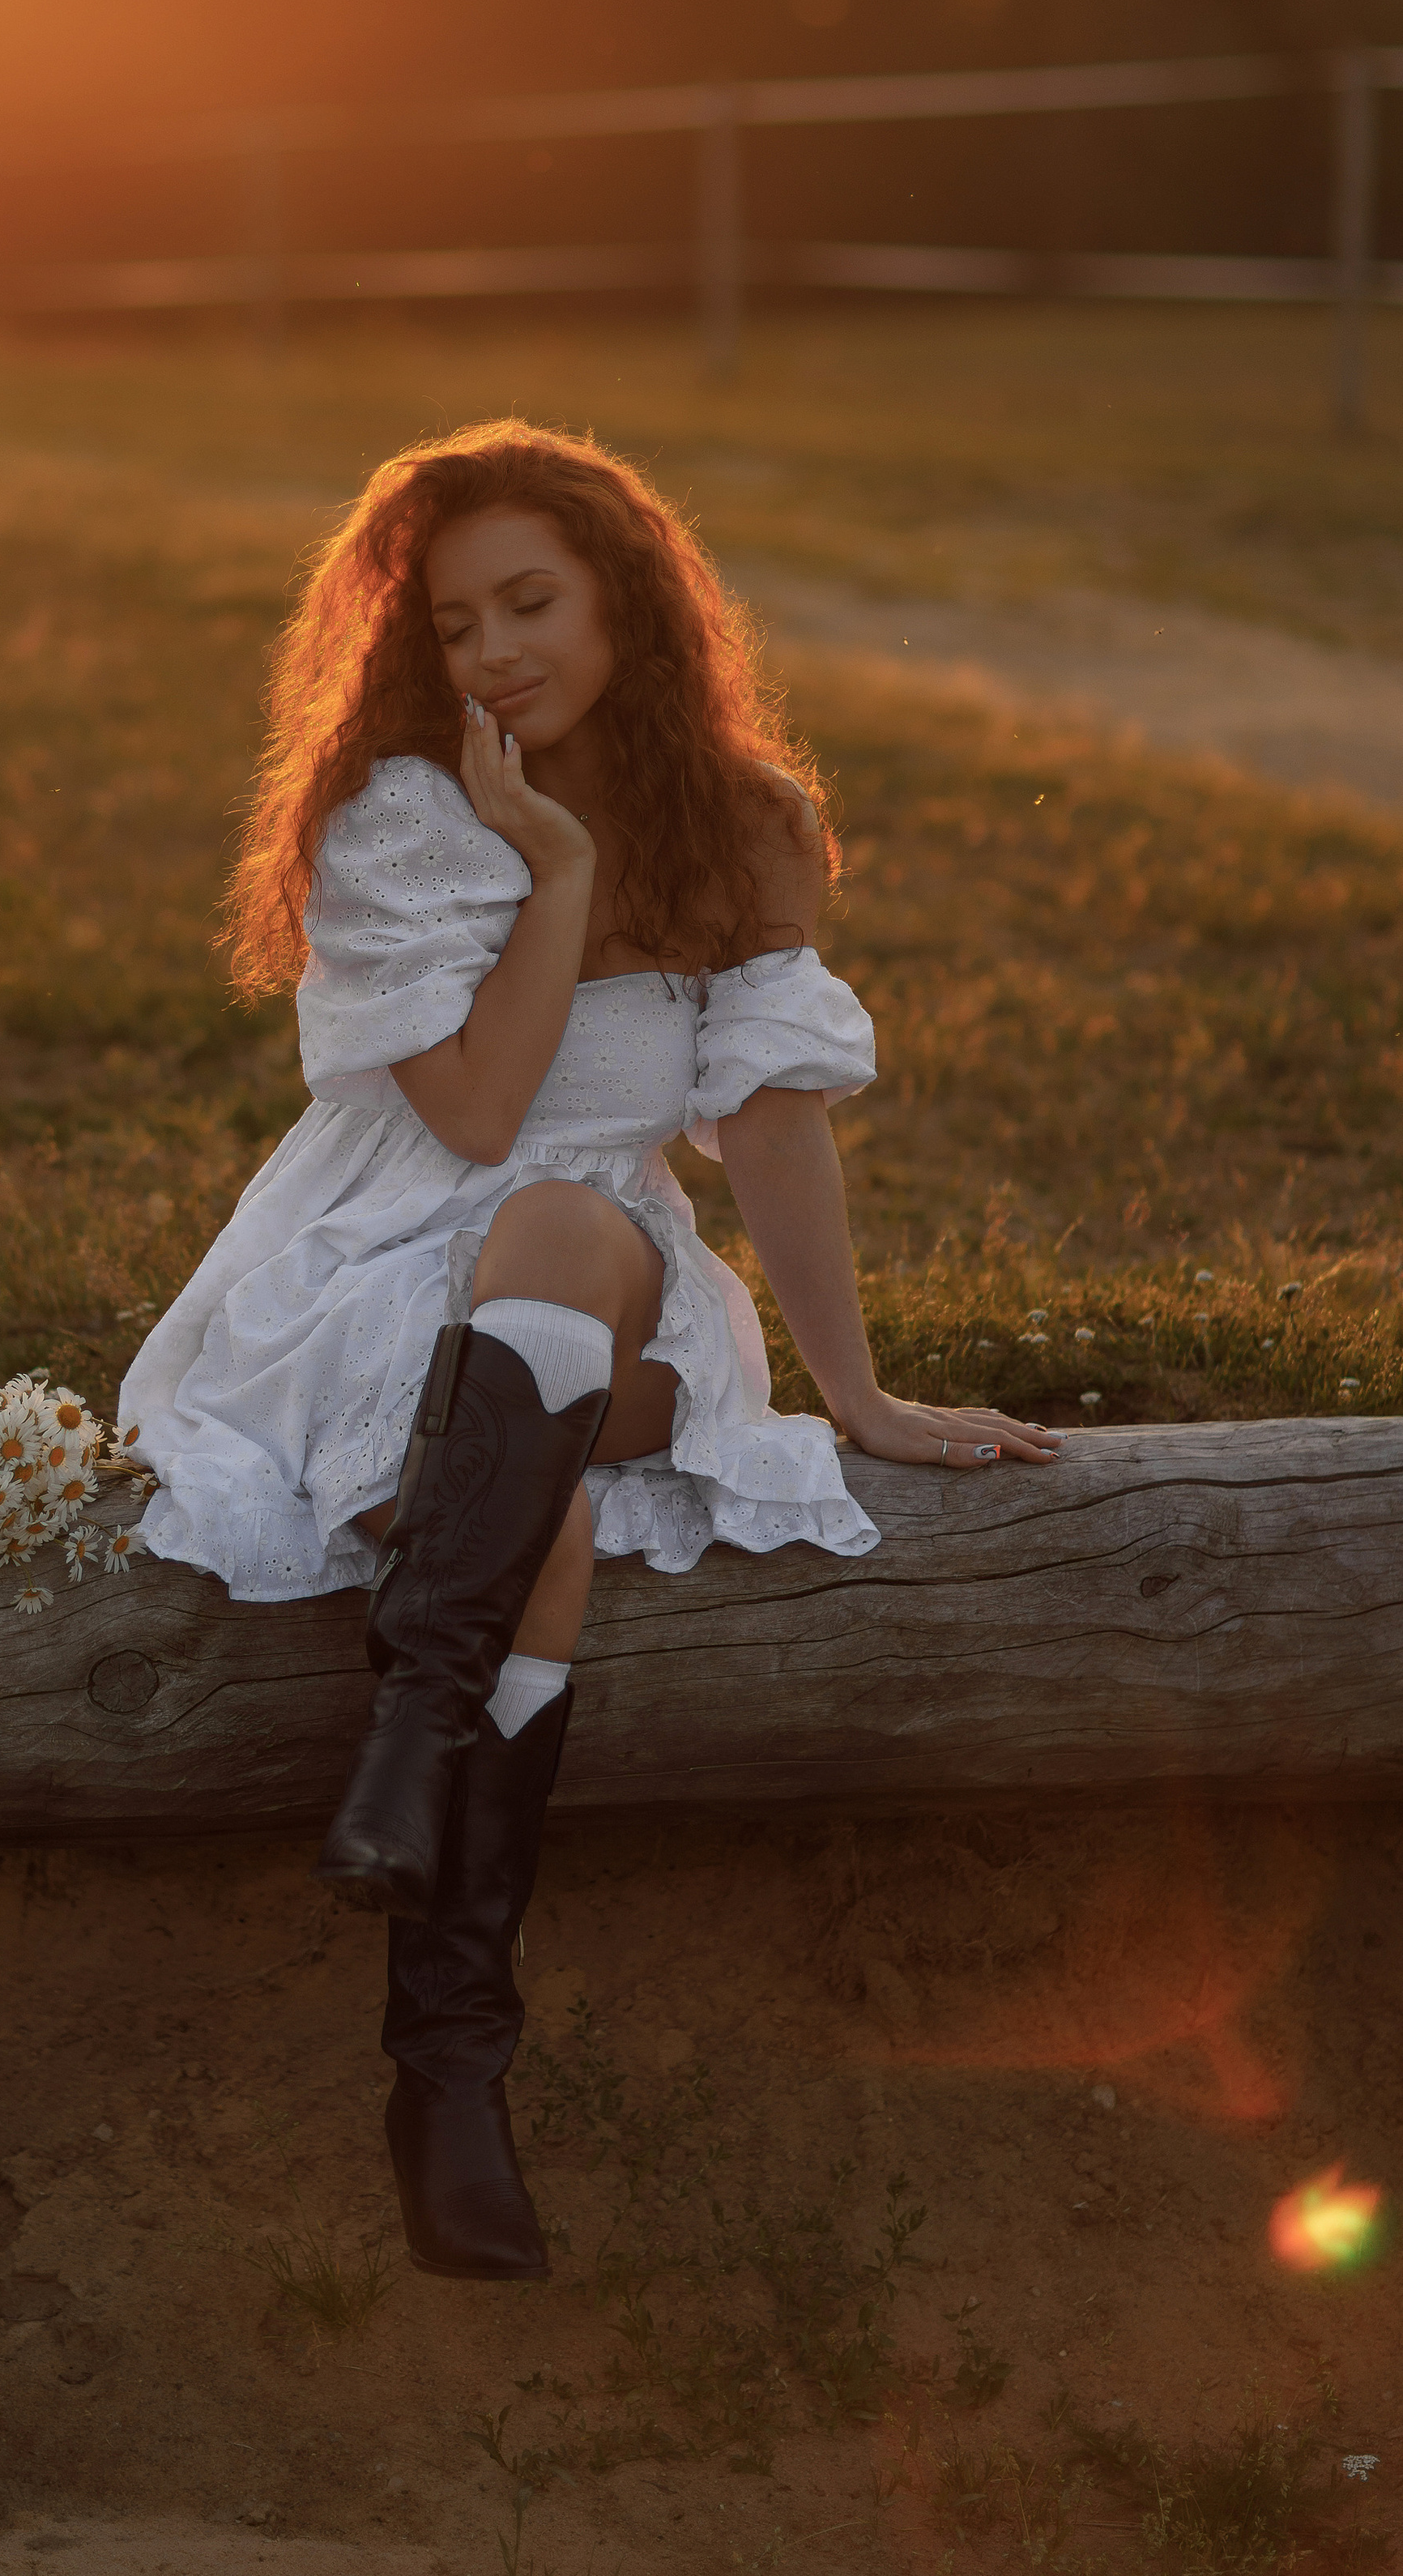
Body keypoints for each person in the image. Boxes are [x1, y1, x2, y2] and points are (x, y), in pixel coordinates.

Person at [119, 420, 1060, 2284]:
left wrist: (854, 1393)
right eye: (454, 623)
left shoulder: (747, 819)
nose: (491, 654)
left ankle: (409, 1747)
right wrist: (550, 874)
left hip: (600, 1279)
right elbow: (474, 1119)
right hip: (377, 1265)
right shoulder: (403, 812)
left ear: (625, 596)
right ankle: (450, 2063)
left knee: (569, 1237)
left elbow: (769, 1130)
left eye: (528, 604)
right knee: (532, 1487)